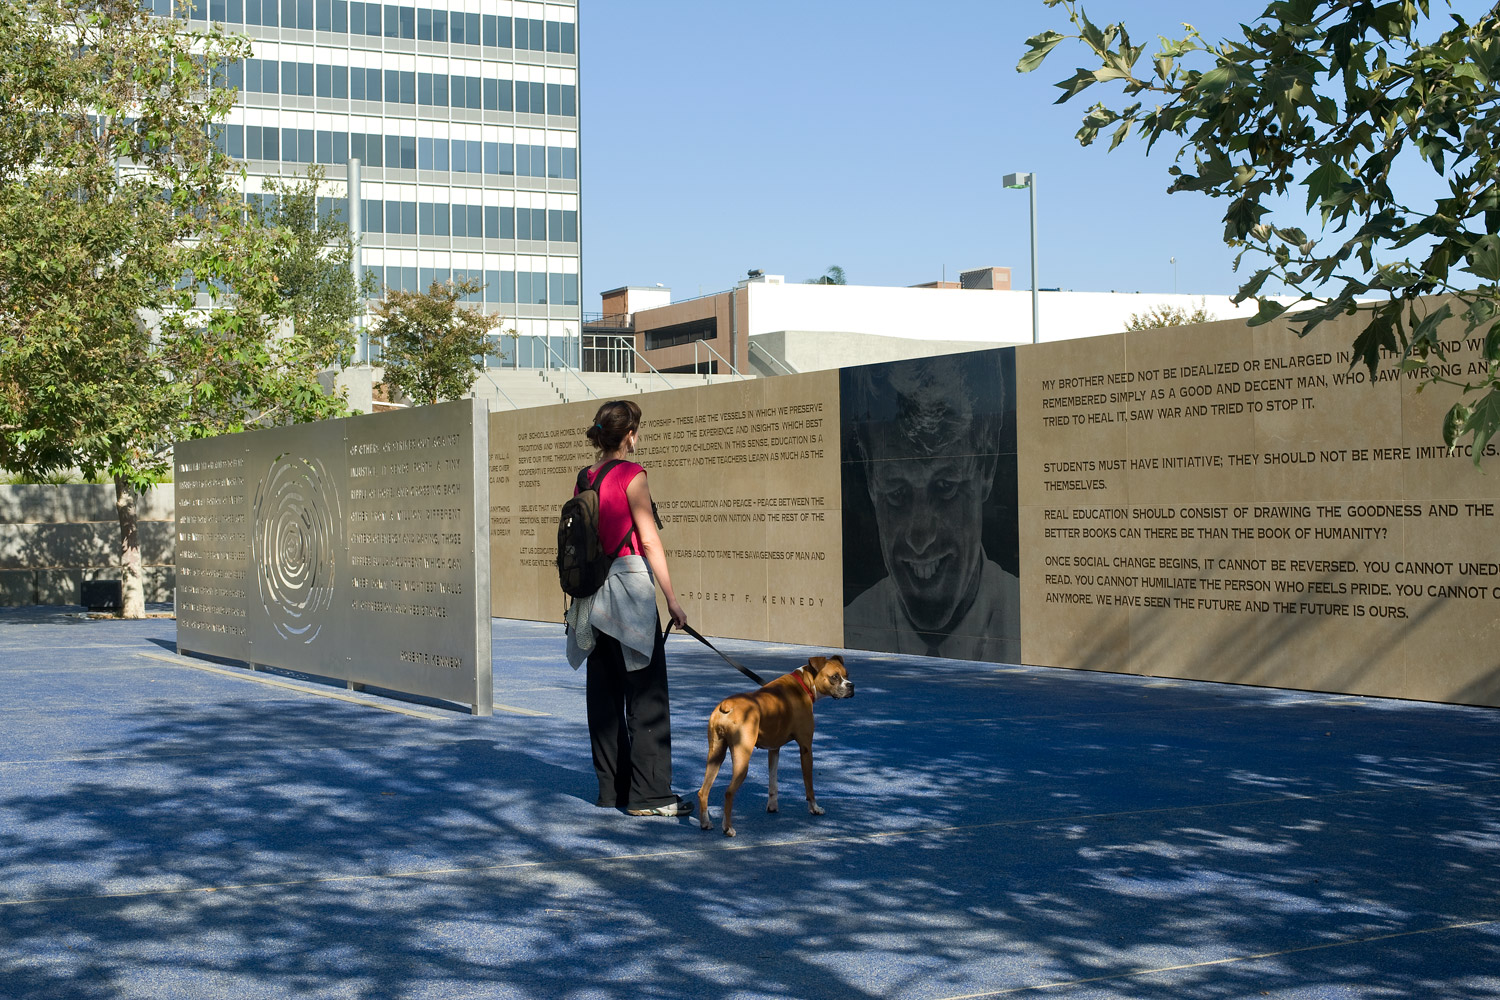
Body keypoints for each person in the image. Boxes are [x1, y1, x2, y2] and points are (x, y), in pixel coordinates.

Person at [842, 353, 1021, 663]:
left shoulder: (1025, 620)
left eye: (945, 487)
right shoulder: (850, 627)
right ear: (872, 481)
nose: (920, 538)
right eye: (897, 493)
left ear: (987, 467)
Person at [564, 399, 693, 817]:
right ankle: (650, 795)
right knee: (646, 693)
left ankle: (612, 790)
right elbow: (649, 540)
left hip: (591, 594)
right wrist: (672, 598)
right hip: (629, 589)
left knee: (603, 693)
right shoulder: (632, 475)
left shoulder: (585, 476)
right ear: (630, 435)